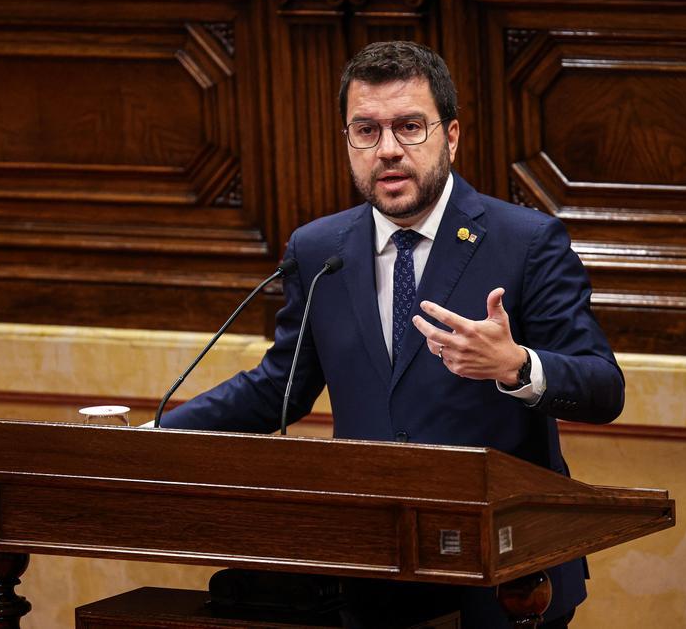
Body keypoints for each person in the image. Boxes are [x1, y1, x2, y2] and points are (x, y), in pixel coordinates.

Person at [160, 41, 624, 628]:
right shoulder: (319, 249)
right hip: (372, 570)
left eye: (409, 127)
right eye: (366, 130)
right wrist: (156, 434)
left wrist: (518, 366)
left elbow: (605, 387)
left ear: (450, 136)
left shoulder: (526, 241)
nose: (388, 151)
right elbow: (280, 387)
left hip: (506, 578)